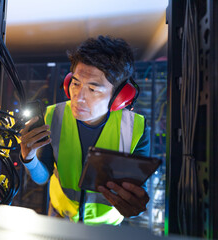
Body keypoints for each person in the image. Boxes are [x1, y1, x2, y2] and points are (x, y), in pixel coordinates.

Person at [19, 35, 150, 225]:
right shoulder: (53, 116)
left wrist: (134, 207)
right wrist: (29, 157)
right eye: (76, 83)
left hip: (107, 228)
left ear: (120, 97)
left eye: (93, 89)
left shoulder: (135, 129)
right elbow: (42, 177)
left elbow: (136, 194)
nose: (78, 97)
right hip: (60, 217)